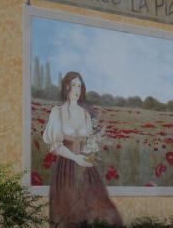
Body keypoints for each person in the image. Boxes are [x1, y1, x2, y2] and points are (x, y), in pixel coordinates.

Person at [42, 71, 122, 228]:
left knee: (102, 211)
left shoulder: (85, 114)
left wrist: (91, 150)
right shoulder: (57, 112)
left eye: (80, 86)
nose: (77, 89)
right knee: (69, 214)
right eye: (74, 85)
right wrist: (76, 157)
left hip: (86, 170)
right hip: (66, 171)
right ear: (66, 87)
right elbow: (56, 146)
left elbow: (89, 141)